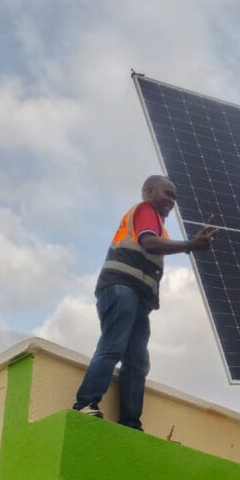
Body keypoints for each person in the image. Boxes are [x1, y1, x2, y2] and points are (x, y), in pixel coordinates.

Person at [73, 176, 215, 429]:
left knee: (137, 361)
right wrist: (189, 245)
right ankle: (84, 404)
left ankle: (130, 423)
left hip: (136, 298)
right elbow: (148, 242)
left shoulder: (159, 224)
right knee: (113, 345)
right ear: (148, 192)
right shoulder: (145, 210)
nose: (172, 201)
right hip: (120, 289)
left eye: (174, 197)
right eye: (167, 194)